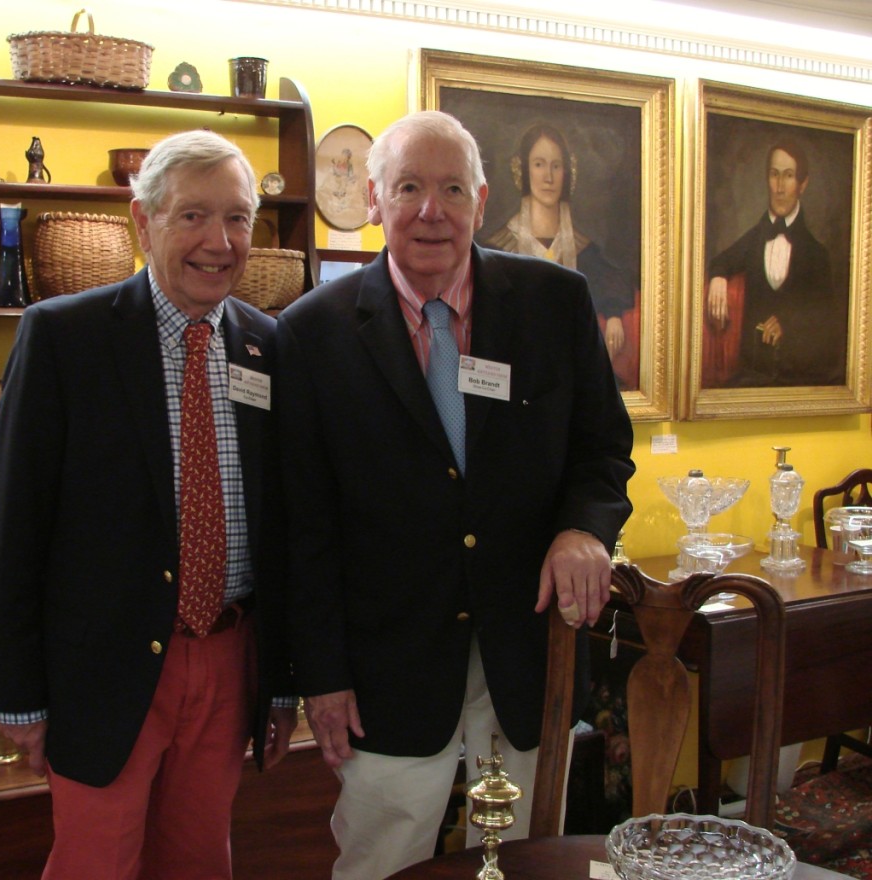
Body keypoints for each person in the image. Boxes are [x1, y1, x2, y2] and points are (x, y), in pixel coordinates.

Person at [276, 110, 635, 880]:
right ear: (374, 200)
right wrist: (322, 676)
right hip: (386, 669)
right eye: (408, 187)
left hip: (528, 649)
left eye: (449, 189)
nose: (430, 211)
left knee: (527, 859)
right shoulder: (311, 334)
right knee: (383, 859)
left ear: (478, 197)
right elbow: (303, 526)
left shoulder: (556, 303)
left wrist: (584, 531)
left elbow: (603, 450)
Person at [0, 129, 296, 880]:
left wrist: (281, 679)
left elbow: (290, 529)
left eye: (238, 218)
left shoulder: (271, 347)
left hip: (229, 659)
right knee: (94, 863)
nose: (218, 242)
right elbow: (12, 528)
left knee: (198, 861)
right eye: (192, 216)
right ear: (141, 220)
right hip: (102, 667)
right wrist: (18, 695)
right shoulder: (63, 336)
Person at [483, 122, 636, 367]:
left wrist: (615, 315)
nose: (548, 177)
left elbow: (610, 282)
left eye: (556, 165)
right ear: (523, 170)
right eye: (539, 164)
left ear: (567, 173)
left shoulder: (584, 249)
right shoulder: (497, 248)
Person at [705, 139, 841, 386]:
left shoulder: (817, 255)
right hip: (751, 375)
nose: (779, 187)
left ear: (803, 184)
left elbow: (827, 325)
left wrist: (788, 324)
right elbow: (722, 261)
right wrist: (718, 277)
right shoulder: (755, 238)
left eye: (788, 176)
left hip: (800, 378)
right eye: (774, 175)